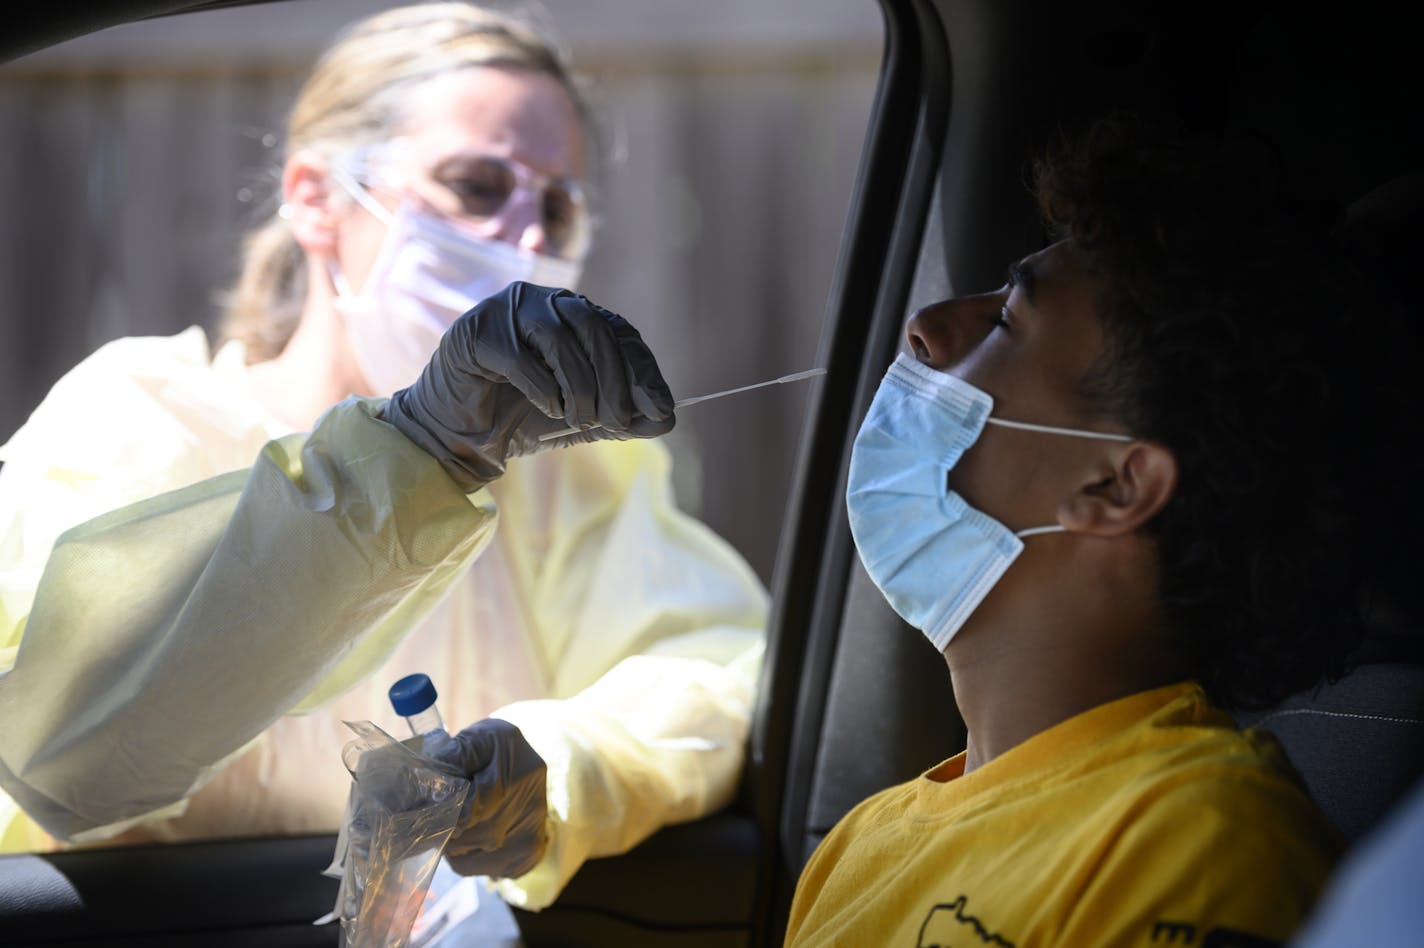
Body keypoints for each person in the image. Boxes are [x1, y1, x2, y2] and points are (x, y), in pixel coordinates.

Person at [0, 2, 768, 912]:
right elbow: (60, 754)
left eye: (555, 208)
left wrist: (556, 768)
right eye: (477, 186)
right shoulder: (140, 415)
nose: (527, 240)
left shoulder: (563, 474)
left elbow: (709, 674)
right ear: (317, 200)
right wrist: (415, 453)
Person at [782, 113, 1412, 946]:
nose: (927, 327)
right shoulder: (860, 845)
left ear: (1118, 485)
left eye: (1007, 318)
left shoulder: (1199, 845)